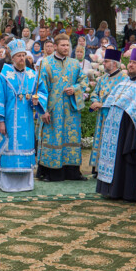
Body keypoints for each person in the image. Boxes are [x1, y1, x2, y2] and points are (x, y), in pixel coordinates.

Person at [96, 48, 136, 201]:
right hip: (115, 128)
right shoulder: (125, 82)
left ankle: (125, 192)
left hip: (130, 129)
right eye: (130, 63)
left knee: (125, 160)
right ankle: (110, 189)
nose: (130, 65)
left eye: (134, 63)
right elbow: (111, 101)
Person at [0, 40, 46, 192]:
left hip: (26, 121)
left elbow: (41, 92)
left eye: (23, 55)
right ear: (12, 58)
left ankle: (25, 183)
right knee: (8, 145)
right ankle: (5, 183)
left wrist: (37, 99)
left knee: (26, 145)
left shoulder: (33, 74)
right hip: (9, 118)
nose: (22, 58)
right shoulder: (4, 74)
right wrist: (1, 121)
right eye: (19, 56)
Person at [37, 35, 85, 181]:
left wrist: (75, 88)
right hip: (53, 109)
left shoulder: (75, 64)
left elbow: (84, 81)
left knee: (71, 137)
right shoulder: (46, 63)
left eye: (67, 45)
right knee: (53, 138)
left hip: (71, 109)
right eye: (63, 45)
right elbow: (41, 88)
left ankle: (73, 173)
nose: (66, 48)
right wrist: (43, 110)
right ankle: (51, 173)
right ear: (56, 46)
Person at [88, 49, 127, 174]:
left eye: (106, 61)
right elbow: (94, 92)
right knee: (100, 139)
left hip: (114, 117)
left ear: (114, 63)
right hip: (101, 116)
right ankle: (98, 168)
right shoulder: (102, 78)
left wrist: (102, 104)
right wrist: (94, 101)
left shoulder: (124, 78)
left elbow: (122, 98)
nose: (103, 64)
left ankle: (110, 168)